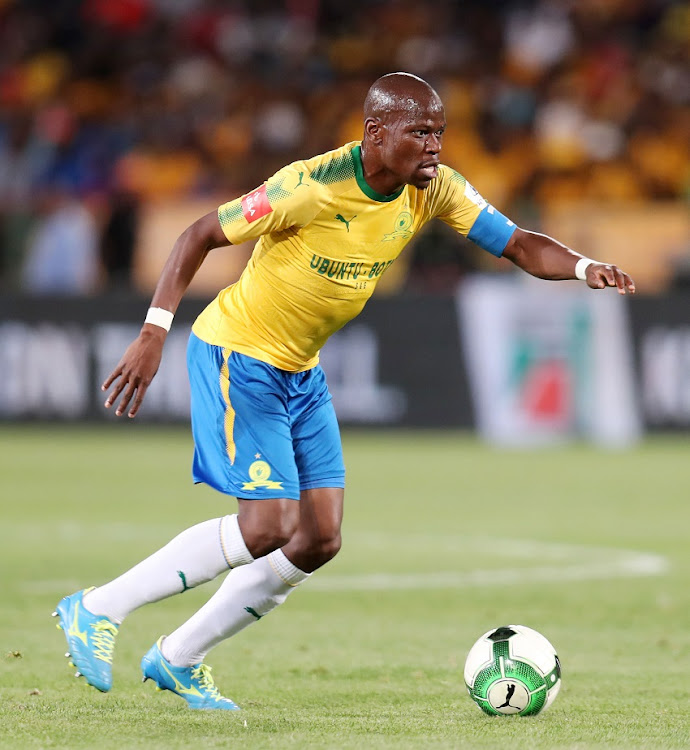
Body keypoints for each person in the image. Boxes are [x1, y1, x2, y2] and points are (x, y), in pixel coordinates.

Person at [53, 72, 635, 711]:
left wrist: (584, 267)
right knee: (267, 525)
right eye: (420, 132)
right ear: (376, 133)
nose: (434, 147)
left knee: (319, 538)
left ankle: (179, 656)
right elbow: (199, 235)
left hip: (301, 370)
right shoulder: (307, 186)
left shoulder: (433, 189)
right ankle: (96, 607)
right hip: (239, 353)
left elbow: (519, 243)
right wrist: (153, 331)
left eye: (439, 133)